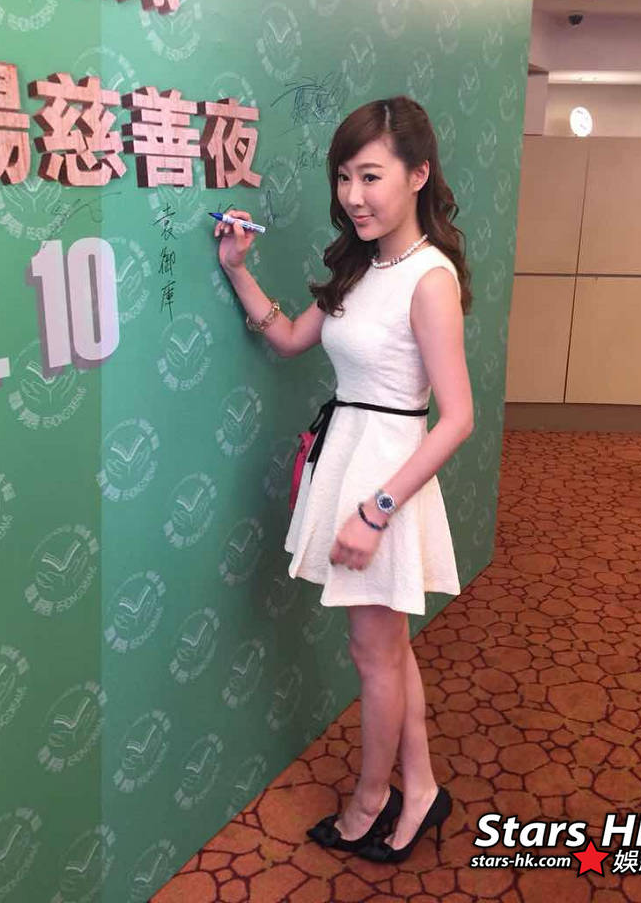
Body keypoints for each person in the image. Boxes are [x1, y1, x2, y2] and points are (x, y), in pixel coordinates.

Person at [212, 95, 474, 864]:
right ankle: (418, 787)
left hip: (387, 475)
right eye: (343, 177)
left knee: (373, 653)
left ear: (418, 175)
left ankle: (371, 799)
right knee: (387, 648)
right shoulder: (364, 263)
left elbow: (456, 417)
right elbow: (294, 337)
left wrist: (378, 509)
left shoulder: (428, 278)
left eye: (371, 176)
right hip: (351, 455)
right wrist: (238, 271)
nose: (353, 196)